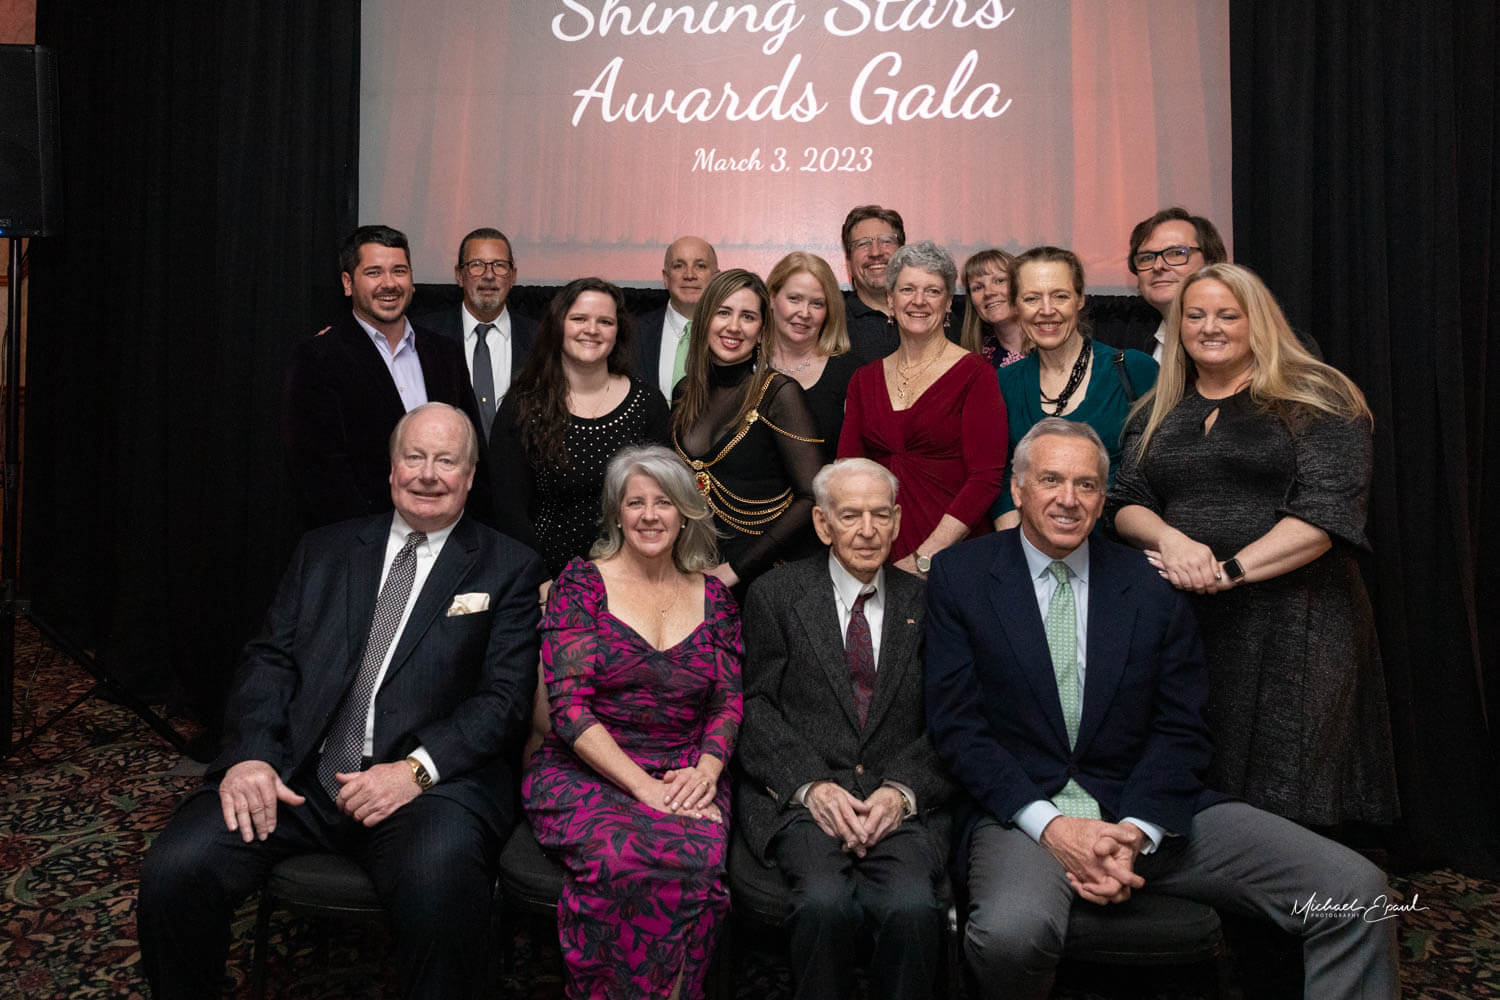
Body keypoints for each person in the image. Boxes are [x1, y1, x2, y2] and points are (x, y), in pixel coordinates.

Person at [925, 418, 1399, 1000]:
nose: (1068, 500)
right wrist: (1054, 827)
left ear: (1105, 499)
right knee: (1010, 934)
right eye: (1050, 480)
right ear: (1018, 489)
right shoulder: (961, 576)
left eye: (1087, 485)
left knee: (1359, 892)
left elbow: (1182, 728)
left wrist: (1135, 829)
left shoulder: (1150, 585)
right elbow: (957, 727)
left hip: (1151, 809)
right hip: (1025, 814)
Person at [139, 403, 544, 1000]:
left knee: (441, 883)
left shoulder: (509, 566)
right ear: (391, 469)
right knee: (175, 870)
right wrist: (252, 755)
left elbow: (504, 700)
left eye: (446, 461)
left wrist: (414, 772)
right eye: (415, 457)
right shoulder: (324, 551)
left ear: (470, 476)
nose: (428, 473)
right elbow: (269, 660)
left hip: (429, 788)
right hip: (300, 778)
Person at [1110, 263, 1398, 825]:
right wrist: (1172, 540)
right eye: (1195, 315)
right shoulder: (1160, 409)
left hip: (1297, 621)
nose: (1209, 327)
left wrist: (1231, 570)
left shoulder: (1317, 398)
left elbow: (1325, 515)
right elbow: (1126, 502)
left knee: (1289, 781)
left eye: (1227, 314)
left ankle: (1313, 906)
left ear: (1259, 321)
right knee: (1203, 776)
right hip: (1192, 618)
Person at [524, 445, 741, 1000]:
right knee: (622, 857)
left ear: (685, 511)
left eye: (663, 502)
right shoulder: (580, 585)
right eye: (635, 502)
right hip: (585, 771)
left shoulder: (715, 597)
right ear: (616, 513)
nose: (649, 515)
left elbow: (727, 702)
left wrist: (707, 771)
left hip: (684, 771)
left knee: (699, 860)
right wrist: (644, 789)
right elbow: (569, 709)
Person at [739, 458, 953, 1000]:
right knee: (822, 905)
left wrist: (901, 791)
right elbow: (755, 706)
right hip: (803, 798)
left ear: (899, 519)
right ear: (822, 524)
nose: (867, 530)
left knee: (913, 909)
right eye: (851, 515)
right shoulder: (776, 595)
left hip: (898, 799)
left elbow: (951, 717)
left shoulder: (928, 602)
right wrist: (811, 785)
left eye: (881, 515)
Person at [282, 224, 491, 528]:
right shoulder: (319, 358)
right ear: (347, 283)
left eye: (399, 270)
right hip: (363, 544)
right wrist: (373, 545)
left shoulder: (444, 353)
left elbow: (473, 452)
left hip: (449, 542)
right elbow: (319, 470)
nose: (389, 283)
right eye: (374, 272)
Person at [837, 241, 1007, 576]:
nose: (918, 301)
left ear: (947, 304)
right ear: (890, 299)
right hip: (875, 556)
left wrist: (924, 558)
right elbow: (847, 474)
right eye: (907, 289)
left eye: (932, 291)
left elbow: (986, 479)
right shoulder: (863, 380)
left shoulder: (976, 374)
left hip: (956, 557)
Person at [489, 277, 669, 581]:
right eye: (579, 319)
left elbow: (662, 503)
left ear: (618, 332)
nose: (592, 330)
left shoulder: (648, 404)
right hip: (544, 581)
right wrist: (541, 581)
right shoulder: (523, 405)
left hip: (633, 578)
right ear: (558, 326)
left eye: (605, 321)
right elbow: (508, 510)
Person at [672, 268, 822, 592]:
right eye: (723, 312)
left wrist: (735, 569)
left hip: (768, 577)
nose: (734, 327)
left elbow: (813, 496)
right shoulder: (684, 392)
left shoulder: (778, 393)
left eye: (748, 316)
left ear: (761, 330)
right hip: (696, 572)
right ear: (704, 320)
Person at [991, 246, 1158, 530]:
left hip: (1123, 550)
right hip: (1034, 556)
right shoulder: (1004, 383)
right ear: (1016, 305)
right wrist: (1018, 558)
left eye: (1060, 296)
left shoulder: (1133, 370)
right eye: (1032, 298)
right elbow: (1001, 483)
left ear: (1080, 299)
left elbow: (1162, 471)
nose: (1046, 310)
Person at [415, 226, 539, 441]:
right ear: (459, 276)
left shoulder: (541, 338)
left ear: (513, 276)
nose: (489, 275)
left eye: (499, 266)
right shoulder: (424, 336)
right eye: (476, 265)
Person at [766, 252, 862, 463]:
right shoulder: (746, 365)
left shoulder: (850, 374)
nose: (804, 313)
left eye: (817, 304)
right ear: (772, 298)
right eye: (794, 299)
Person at [1124, 206, 1229, 361]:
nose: (1158, 266)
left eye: (1176, 253)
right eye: (1146, 257)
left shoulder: (1236, 338)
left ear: (1210, 262)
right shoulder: (1133, 346)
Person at [635, 235, 719, 398]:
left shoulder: (732, 335)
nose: (689, 275)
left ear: (715, 278)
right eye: (679, 266)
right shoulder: (633, 333)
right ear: (666, 278)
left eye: (700, 266)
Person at [840, 204, 905, 360]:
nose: (876, 252)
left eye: (886, 241)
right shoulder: (831, 320)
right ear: (848, 261)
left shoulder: (935, 315)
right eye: (863, 244)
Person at [959, 248, 1025, 369]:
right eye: (978, 287)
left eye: (1000, 281)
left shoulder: (1051, 345)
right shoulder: (974, 361)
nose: (988, 292)